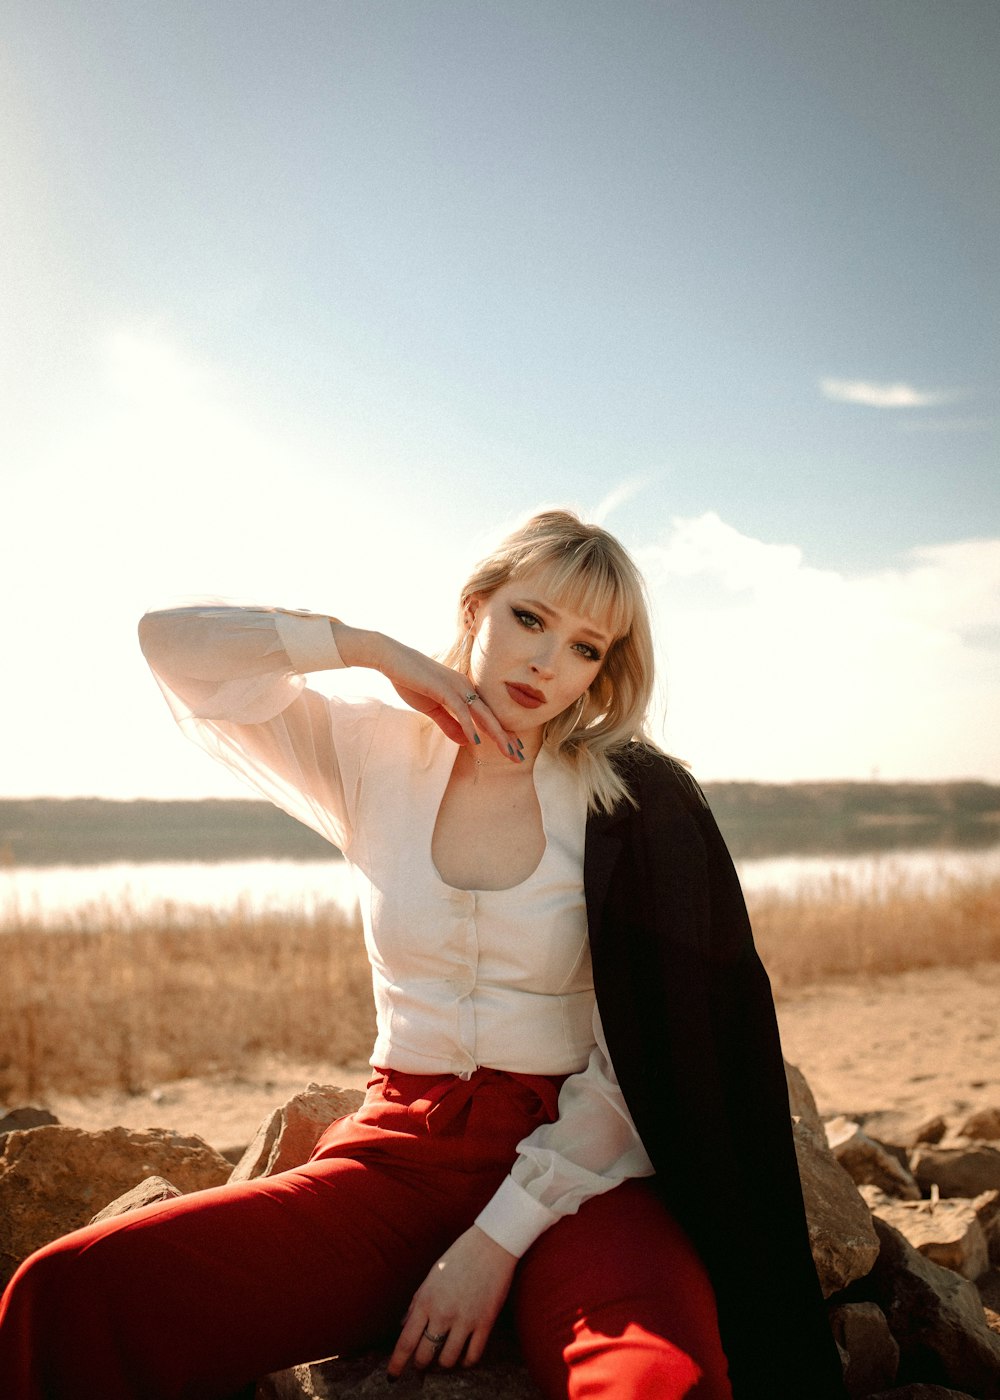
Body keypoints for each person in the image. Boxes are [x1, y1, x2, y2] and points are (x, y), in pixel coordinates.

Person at [0, 510, 845, 1399]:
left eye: (587, 647)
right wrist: (371, 650)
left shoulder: (631, 801)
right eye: (530, 619)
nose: (547, 662)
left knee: (648, 1381)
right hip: (399, 1157)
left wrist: (493, 1241)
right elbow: (169, 643)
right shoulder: (370, 752)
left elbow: (647, 1058)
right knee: (70, 1291)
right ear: (477, 606)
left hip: (583, 1173)